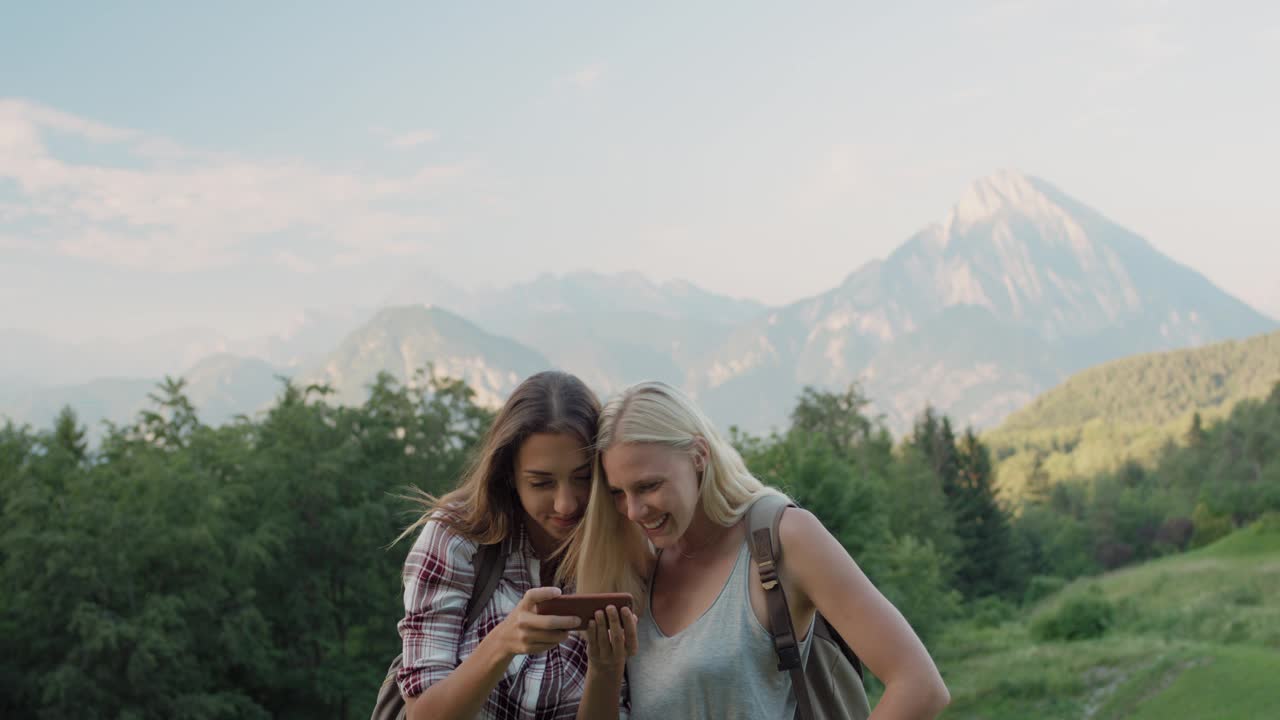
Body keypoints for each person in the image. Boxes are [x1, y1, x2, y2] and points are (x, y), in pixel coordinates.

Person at [563, 380, 951, 719]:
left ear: (699, 456)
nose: (633, 510)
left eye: (648, 486)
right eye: (618, 493)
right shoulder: (637, 561)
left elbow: (919, 685)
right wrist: (604, 669)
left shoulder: (784, 537)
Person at [395, 370, 636, 720]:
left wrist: (606, 669)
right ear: (508, 474)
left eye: (583, 479)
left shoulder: (625, 546)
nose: (565, 504)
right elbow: (423, 714)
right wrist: (503, 642)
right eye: (541, 483)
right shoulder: (457, 536)